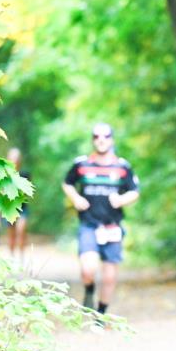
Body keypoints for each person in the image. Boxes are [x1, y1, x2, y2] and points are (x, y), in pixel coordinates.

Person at [62, 123, 140, 314]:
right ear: (93, 140)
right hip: (89, 224)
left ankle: (101, 314)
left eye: (105, 136)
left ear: (111, 139)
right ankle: (89, 290)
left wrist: (121, 200)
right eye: (97, 136)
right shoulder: (81, 164)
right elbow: (67, 183)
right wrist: (76, 198)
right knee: (88, 269)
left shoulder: (122, 167)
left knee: (109, 277)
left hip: (112, 227)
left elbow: (135, 191)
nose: (101, 140)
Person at [6, 148, 31, 262]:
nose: (14, 161)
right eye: (12, 158)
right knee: (11, 234)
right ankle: (12, 256)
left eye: (16, 158)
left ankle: (21, 257)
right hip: (9, 208)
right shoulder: (3, 175)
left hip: (22, 208)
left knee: (21, 231)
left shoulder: (25, 174)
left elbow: (27, 191)